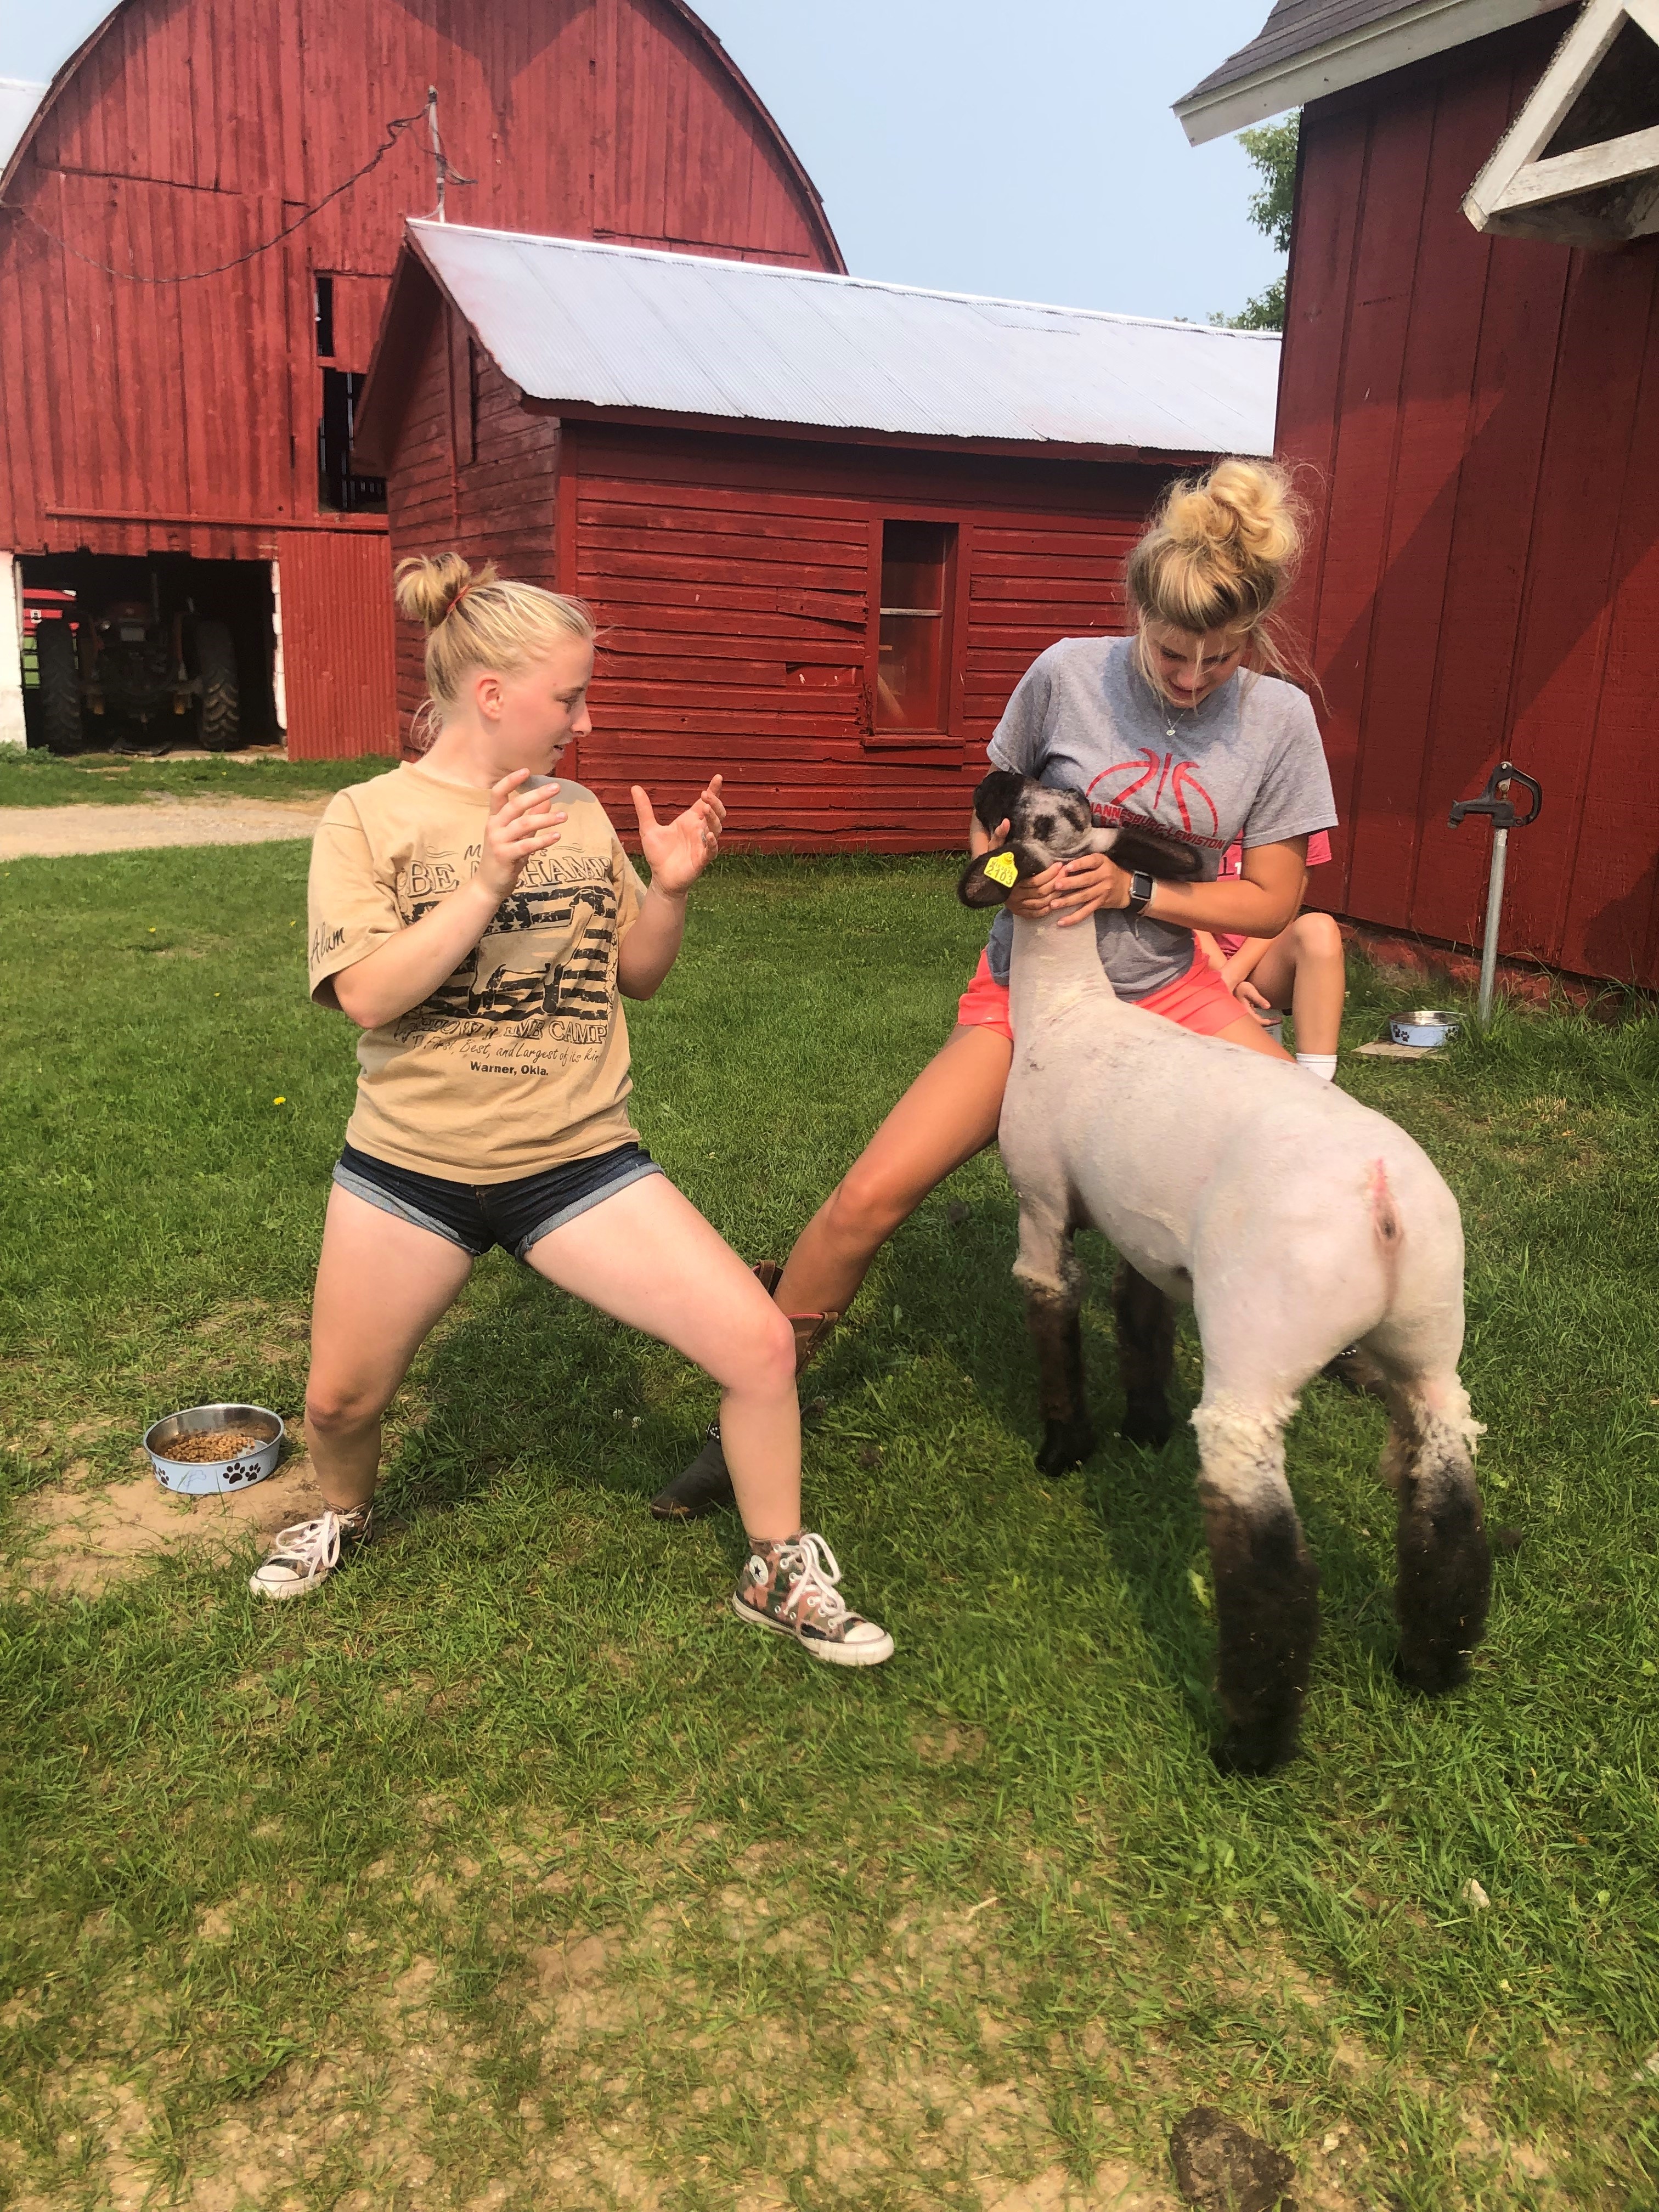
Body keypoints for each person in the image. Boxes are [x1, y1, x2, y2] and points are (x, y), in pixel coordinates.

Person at [653, 457, 1338, 1521]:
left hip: (1172, 1000)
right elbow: (992, 807)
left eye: (1221, 655)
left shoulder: (1280, 723)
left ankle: (1337, 1351)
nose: (1193, 678)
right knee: (866, 1201)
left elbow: (1277, 901)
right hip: (1032, 1002)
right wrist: (1007, 879)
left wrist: (1137, 888)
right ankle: (742, 1418)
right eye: (1171, 652)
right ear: (1136, 612)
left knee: (1317, 1156)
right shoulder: (1066, 674)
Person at [250, 553, 891, 1667]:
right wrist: (486, 881)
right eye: (569, 697)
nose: (584, 721)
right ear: (493, 695)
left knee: (758, 1346)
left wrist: (675, 890)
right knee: (343, 1404)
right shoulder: (368, 818)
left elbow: (635, 974)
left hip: (578, 1160)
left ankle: (777, 1567)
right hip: (411, 1166)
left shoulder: (580, 810)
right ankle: (344, 1512)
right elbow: (367, 993)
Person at [1201, 830, 1346, 1079]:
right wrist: (1222, 980)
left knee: (1319, 929)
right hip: (1187, 954)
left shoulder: (1296, 802)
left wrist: (1233, 975)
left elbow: (1285, 908)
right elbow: (1176, 909)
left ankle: (1318, 1084)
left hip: (1259, 957)